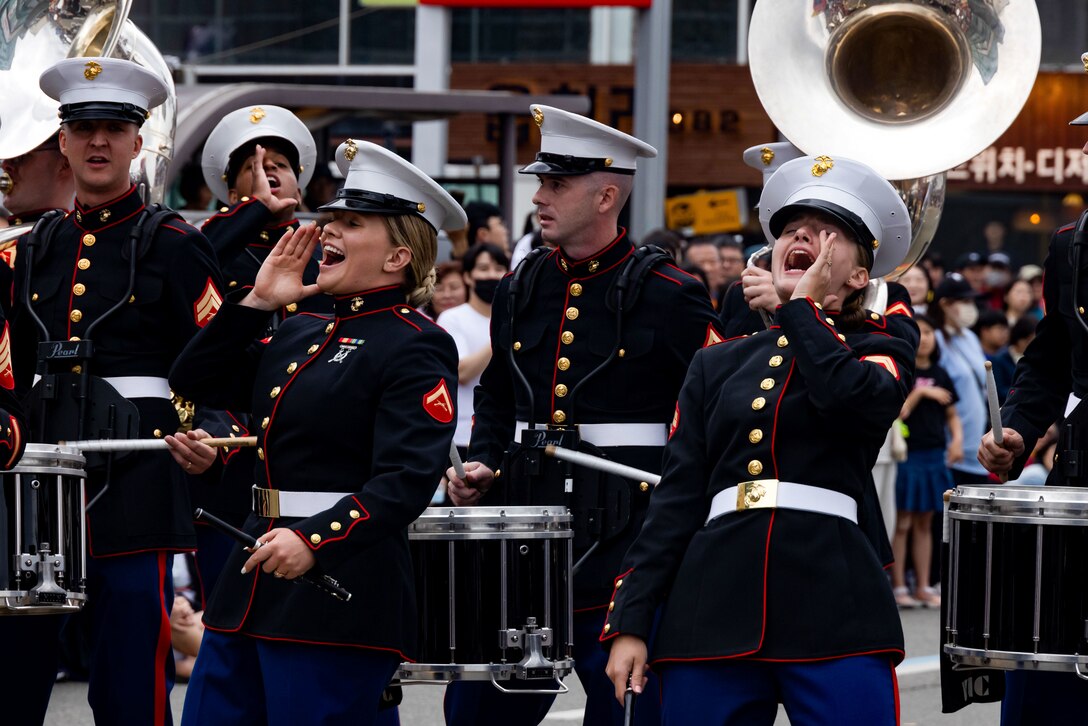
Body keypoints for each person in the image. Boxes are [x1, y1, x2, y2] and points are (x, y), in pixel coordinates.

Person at [603, 153, 915, 724]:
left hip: (833, 602)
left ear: (859, 277)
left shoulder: (877, 345)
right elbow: (675, 501)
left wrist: (801, 311)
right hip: (712, 602)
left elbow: (856, 400)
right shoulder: (716, 362)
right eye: (790, 230)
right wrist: (630, 619)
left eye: (828, 233)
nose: (802, 237)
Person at [444, 104, 721, 726]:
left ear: (605, 195)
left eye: (555, 184)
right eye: (541, 182)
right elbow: (496, 394)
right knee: (477, 707)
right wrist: (485, 460)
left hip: (627, 527)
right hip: (530, 526)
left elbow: (710, 404)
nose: (538, 196)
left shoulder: (670, 292)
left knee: (625, 708)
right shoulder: (522, 285)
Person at [171, 137, 463, 725]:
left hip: (337, 585)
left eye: (352, 223)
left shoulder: (416, 343)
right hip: (251, 580)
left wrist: (313, 540)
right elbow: (192, 378)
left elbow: (406, 480)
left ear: (397, 257)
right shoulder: (300, 327)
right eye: (330, 217)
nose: (327, 231)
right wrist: (256, 301)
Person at [7, 56, 225, 723]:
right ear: (63, 141)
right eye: (84, 128)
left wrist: (198, 428)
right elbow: (10, 365)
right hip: (38, 484)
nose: (98, 141)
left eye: (114, 127)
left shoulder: (176, 244)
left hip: (135, 480)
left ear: (138, 140)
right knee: (13, 676)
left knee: (131, 685)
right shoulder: (34, 245)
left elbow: (214, 369)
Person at [976, 73, 1088, 719]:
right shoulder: (1071, 245)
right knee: (1050, 667)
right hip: (1077, 473)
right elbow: (1049, 359)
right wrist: (1015, 431)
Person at [193, 105, 329, 596]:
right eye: (252, 167)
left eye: (279, 165)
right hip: (230, 448)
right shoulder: (213, 244)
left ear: (300, 183)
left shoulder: (328, 254)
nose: (267, 172)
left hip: (310, 442)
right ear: (232, 194)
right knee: (228, 598)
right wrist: (250, 215)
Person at [892, 315, 961, 609]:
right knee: (902, 522)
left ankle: (922, 586)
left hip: (935, 454)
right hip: (908, 455)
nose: (927, 336)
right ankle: (898, 586)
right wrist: (920, 391)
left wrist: (957, 439)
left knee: (925, 522)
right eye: (920, 331)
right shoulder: (901, 371)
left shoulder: (941, 372)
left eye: (931, 330)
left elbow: (952, 415)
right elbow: (901, 412)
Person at [436, 241, 509, 456]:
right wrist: (502, 334)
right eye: (483, 269)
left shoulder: (512, 320)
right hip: (461, 436)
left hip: (501, 436)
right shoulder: (453, 318)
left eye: (498, 269)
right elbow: (462, 371)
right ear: (468, 276)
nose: (491, 276)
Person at [930, 273, 990, 485]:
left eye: (971, 301)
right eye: (964, 301)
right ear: (945, 304)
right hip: (951, 449)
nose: (970, 307)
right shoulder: (934, 339)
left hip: (977, 448)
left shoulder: (970, 337)